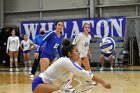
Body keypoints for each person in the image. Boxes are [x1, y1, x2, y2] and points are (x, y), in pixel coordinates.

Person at [32, 39, 111, 93]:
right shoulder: (65, 61)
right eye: (76, 51)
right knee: (57, 90)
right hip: (38, 84)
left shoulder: (70, 65)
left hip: (48, 86)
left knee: (59, 90)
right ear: (70, 54)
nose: (79, 53)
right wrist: (103, 82)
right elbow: (85, 74)